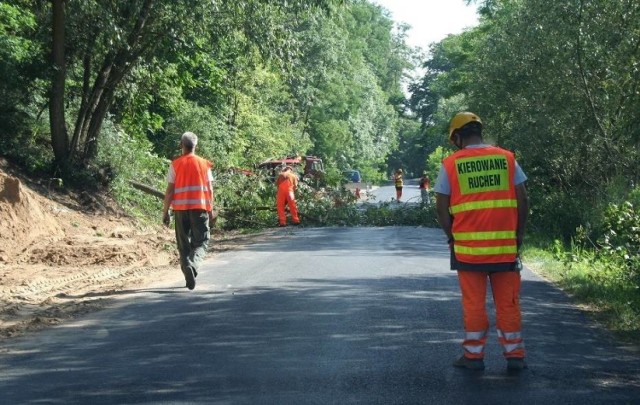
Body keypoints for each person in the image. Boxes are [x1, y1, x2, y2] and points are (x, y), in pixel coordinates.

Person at [434, 112, 529, 371]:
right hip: (505, 250)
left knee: (474, 304)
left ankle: (473, 357)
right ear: (479, 130)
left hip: (468, 252)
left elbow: (441, 207)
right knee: (508, 303)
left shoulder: (451, 164)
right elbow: (523, 200)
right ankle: (515, 357)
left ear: (457, 137)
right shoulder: (507, 158)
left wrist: (451, 236)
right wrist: (518, 235)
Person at [162, 131, 216, 290]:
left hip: (180, 210)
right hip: (199, 208)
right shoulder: (204, 164)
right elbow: (210, 189)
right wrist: (210, 209)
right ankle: (192, 266)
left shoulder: (175, 164)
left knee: (183, 245)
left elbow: (170, 191)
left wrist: (165, 212)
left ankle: (187, 269)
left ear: (181, 145)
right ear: (196, 146)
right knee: (201, 242)